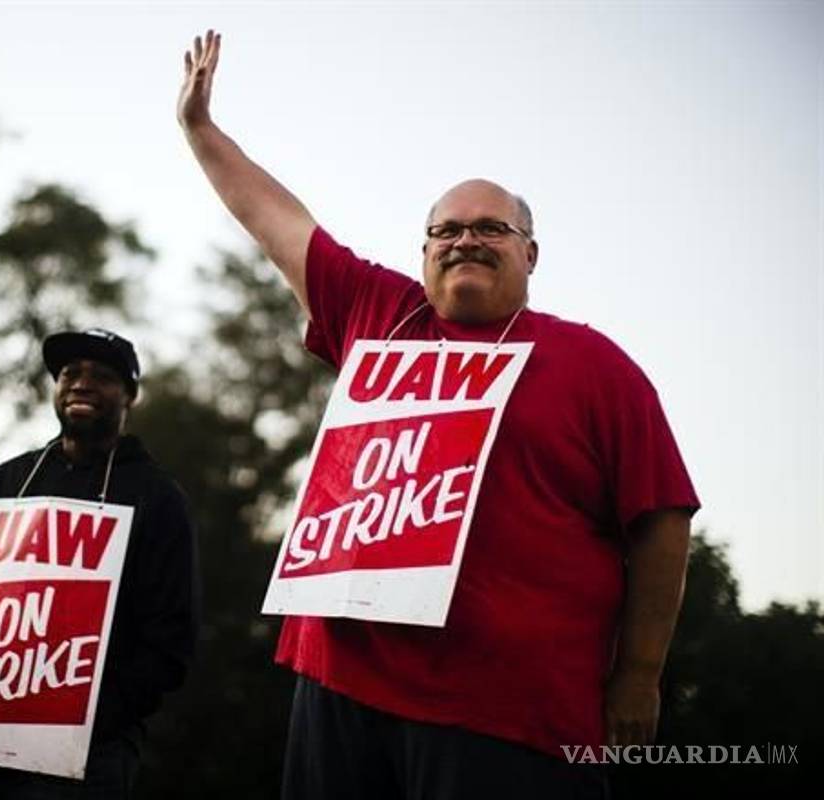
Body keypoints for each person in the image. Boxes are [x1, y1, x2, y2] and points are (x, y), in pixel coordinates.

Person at [178, 30, 698, 799]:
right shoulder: (380, 313)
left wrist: (639, 676)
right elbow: (274, 220)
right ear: (424, 253)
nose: (465, 241)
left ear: (531, 253)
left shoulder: (596, 366)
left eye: (491, 228)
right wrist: (200, 129)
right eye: (446, 230)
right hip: (341, 685)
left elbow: (662, 520)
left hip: (509, 713)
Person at [0, 328, 199, 799]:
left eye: (102, 376)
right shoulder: (5, 482)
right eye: (69, 373)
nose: (81, 384)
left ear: (130, 395)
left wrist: (98, 713)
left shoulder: (157, 499)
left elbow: (170, 639)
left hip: (82, 758)